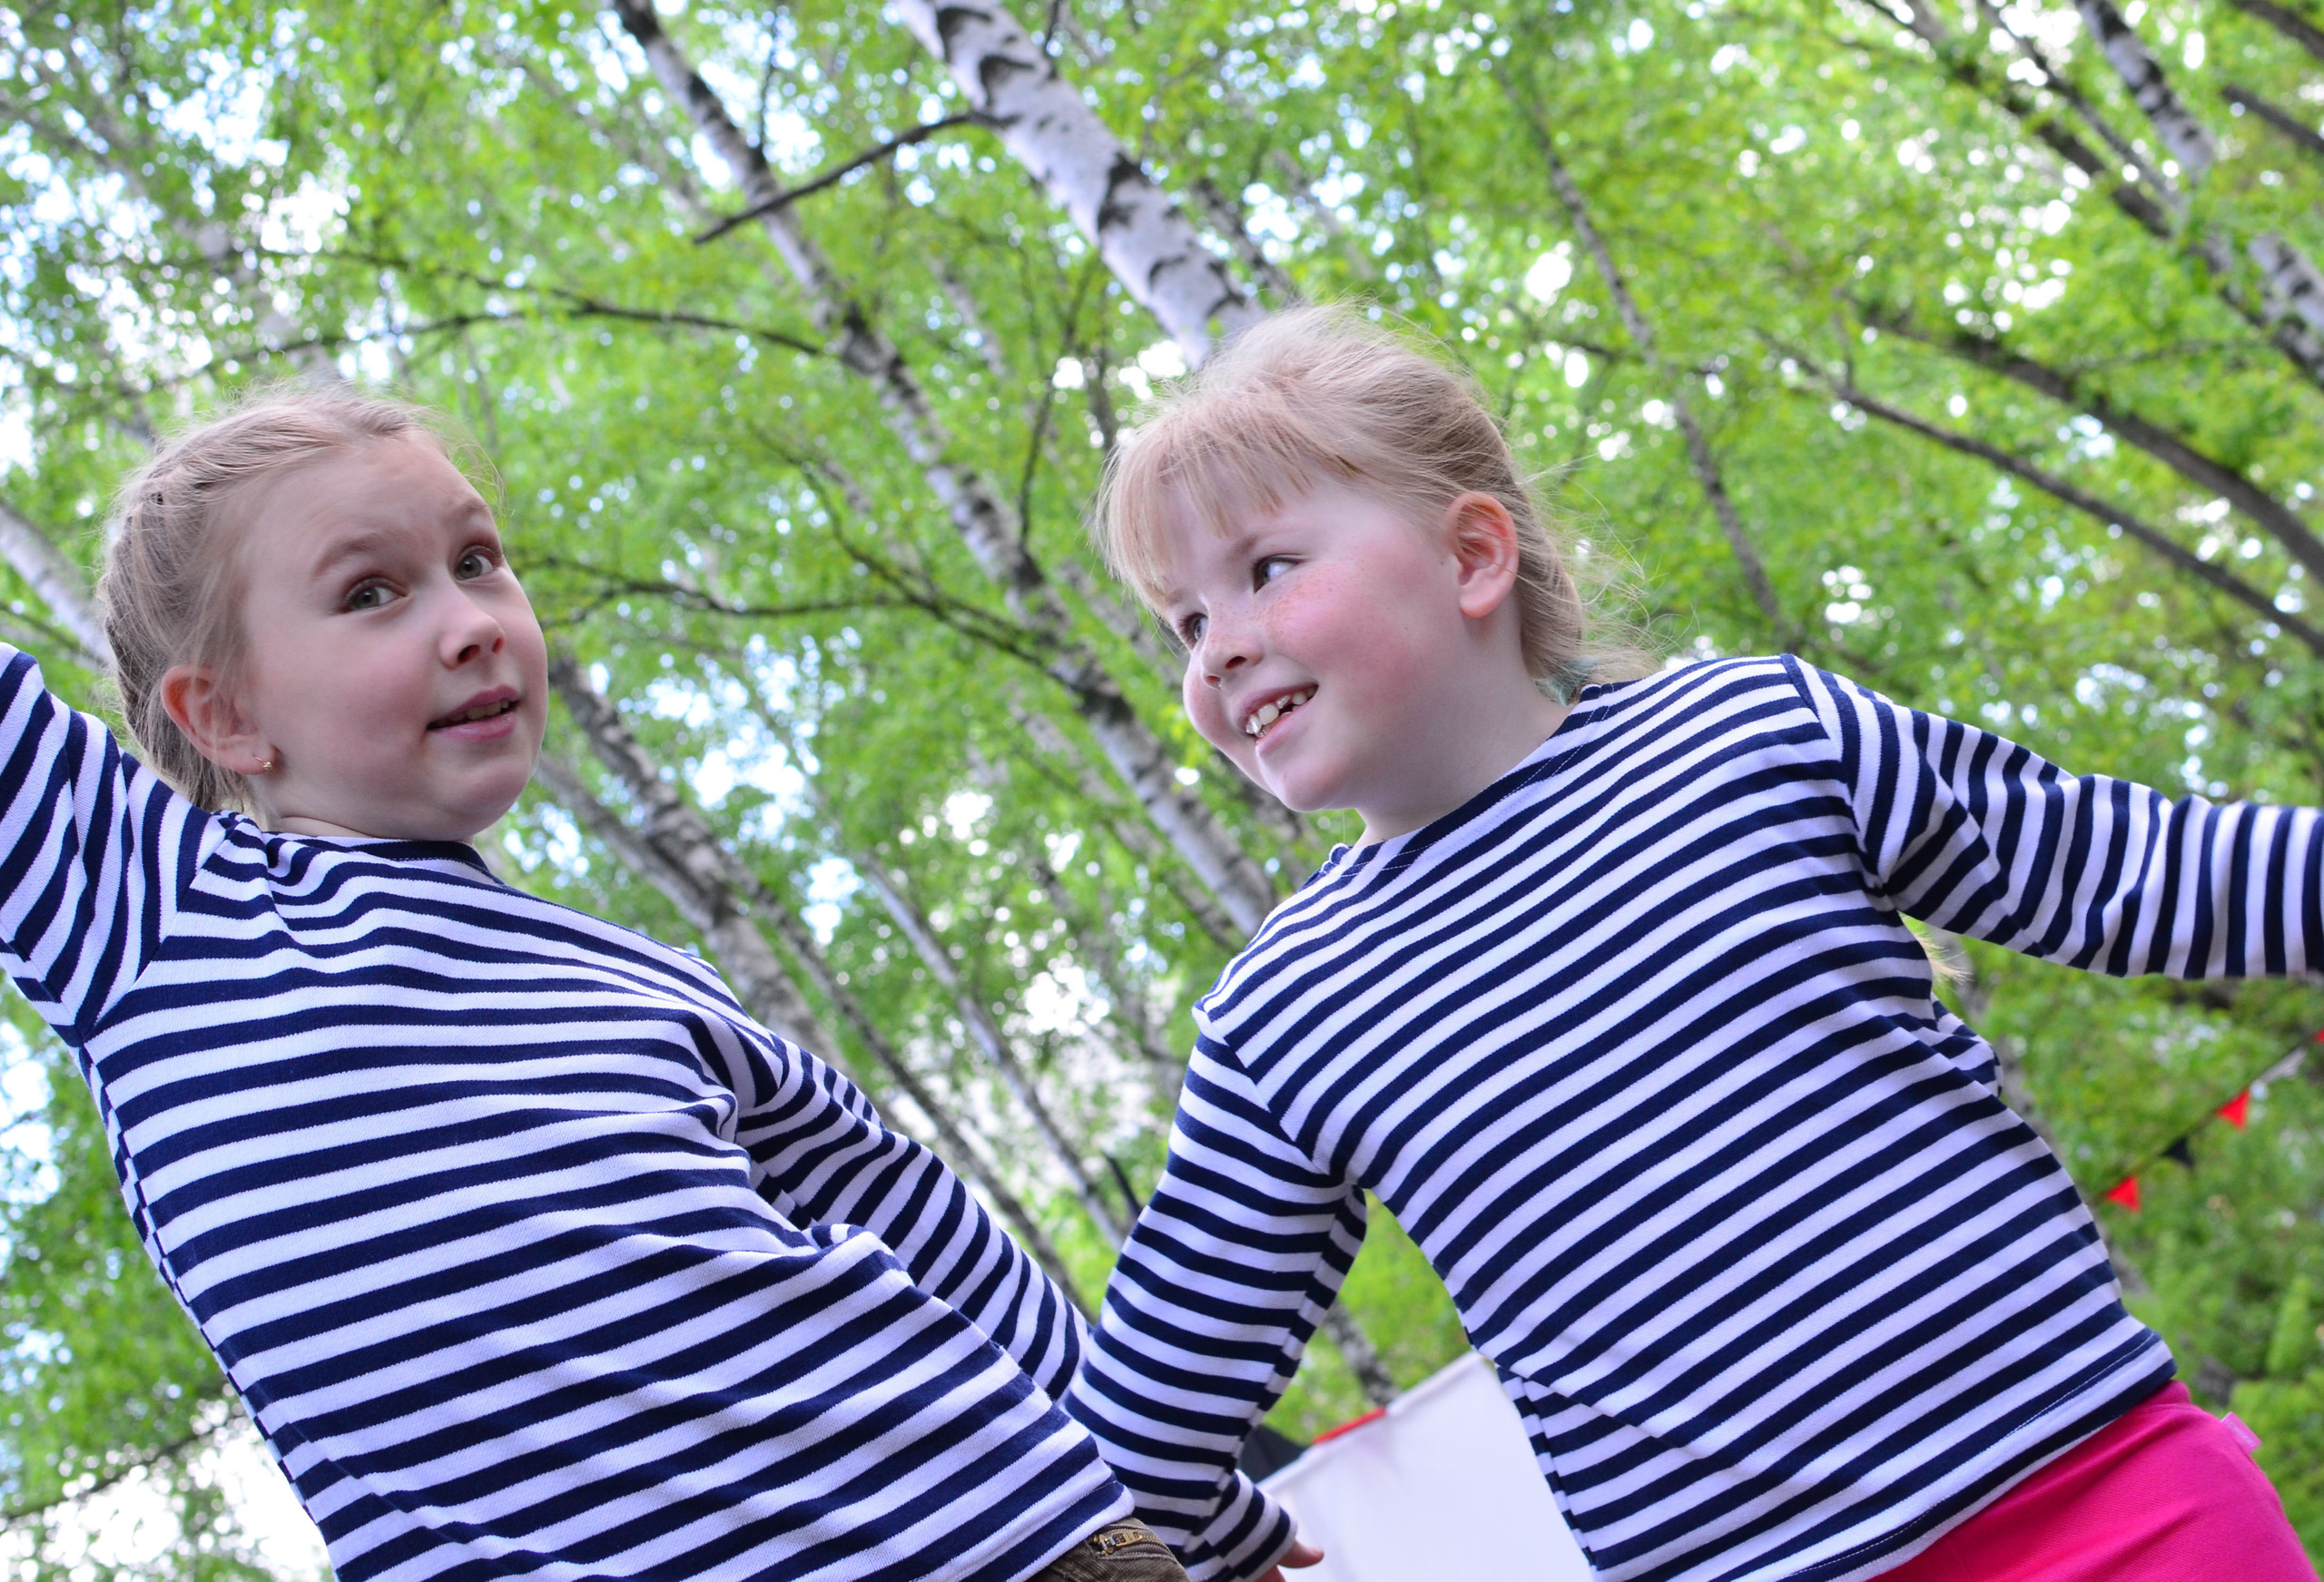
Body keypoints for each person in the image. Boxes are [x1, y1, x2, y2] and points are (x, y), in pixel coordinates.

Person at [1062, 304, 2319, 1582]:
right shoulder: (1288, 1011)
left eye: (1266, 567)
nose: (1216, 646)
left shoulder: (1754, 734)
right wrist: (1220, 1535)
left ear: (1472, 556)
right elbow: (1154, 1403)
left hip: (2109, 1496)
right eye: (1182, 621)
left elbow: (2151, 875)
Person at [0, 388, 1185, 1582]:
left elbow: (925, 1231)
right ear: (225, 713)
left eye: (477, 559)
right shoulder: (162, 925)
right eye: (372, 591)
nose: (469, 619)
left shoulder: (643, 978)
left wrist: (1182, 1487)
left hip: (1021, 1535)